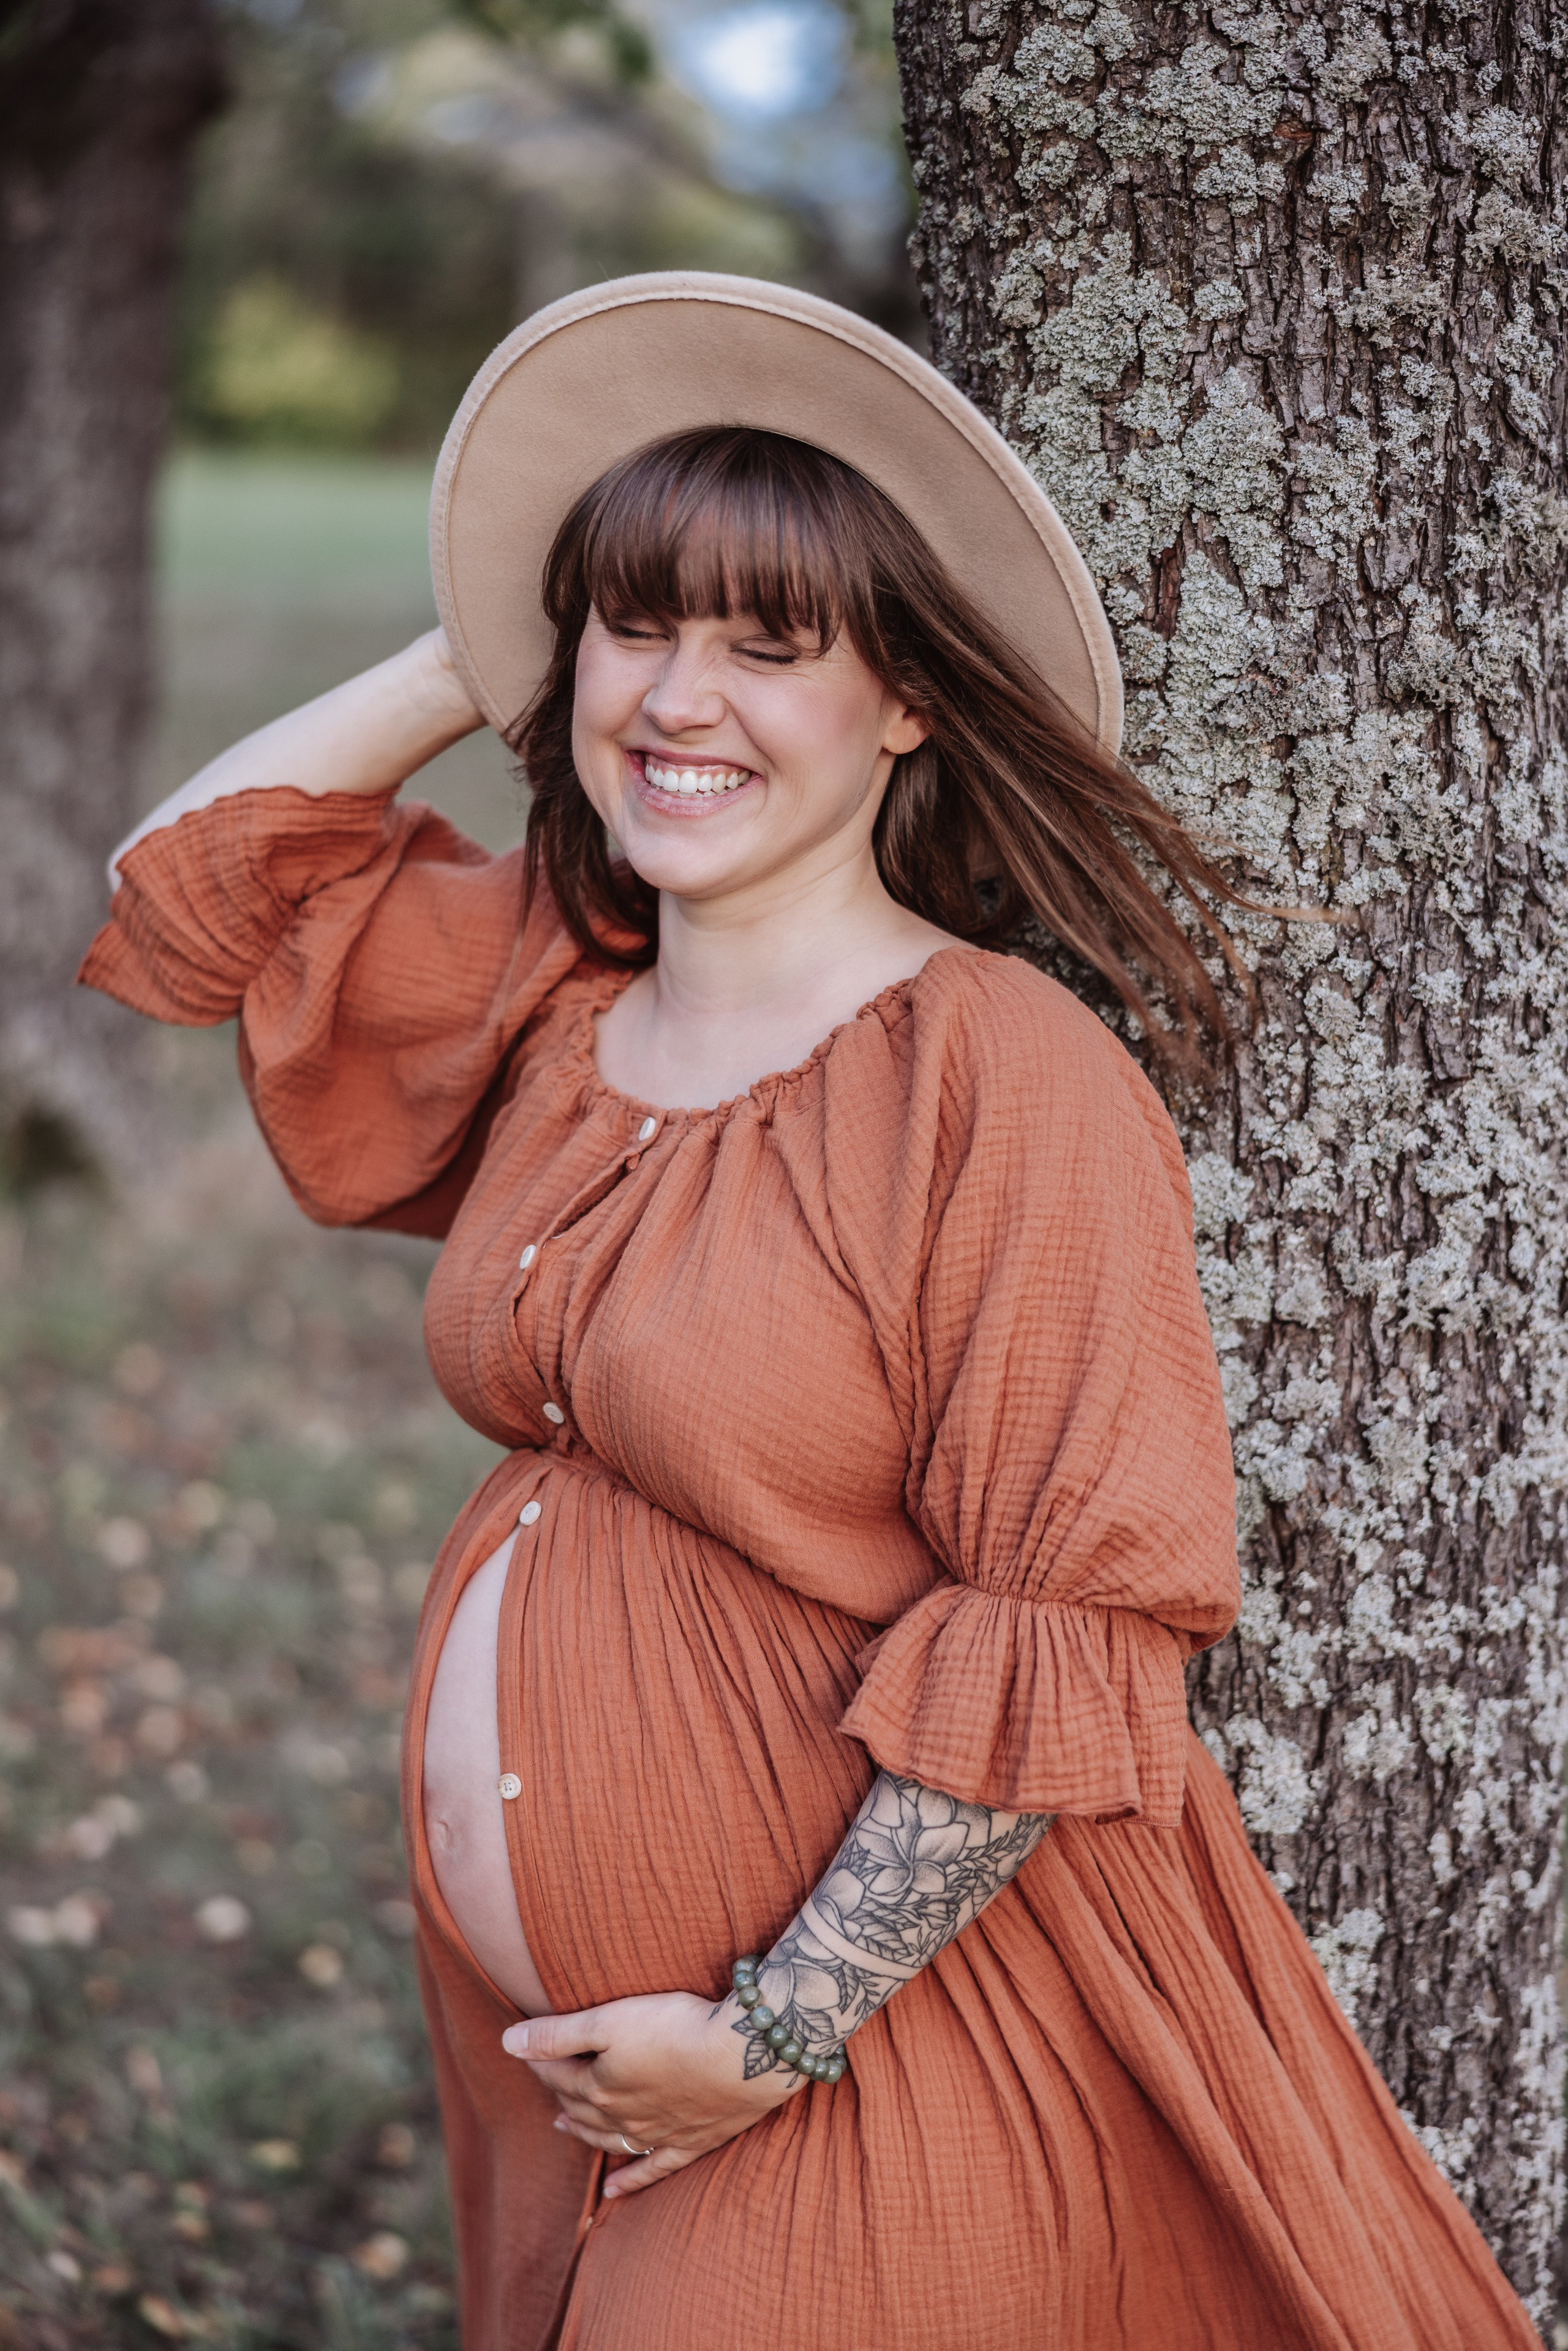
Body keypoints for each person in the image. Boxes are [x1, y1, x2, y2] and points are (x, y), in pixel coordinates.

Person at [82, 276, 1536, 2351]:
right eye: (638, 628)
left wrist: (774, 2031)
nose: (683, 701)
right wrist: (481, 646)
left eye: (771, 651)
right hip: (587, 2072)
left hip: (866, 2050)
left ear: (908, 701)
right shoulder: (569, 996)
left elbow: (1074, 1608)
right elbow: (192, 890)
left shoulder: (997, 1075)